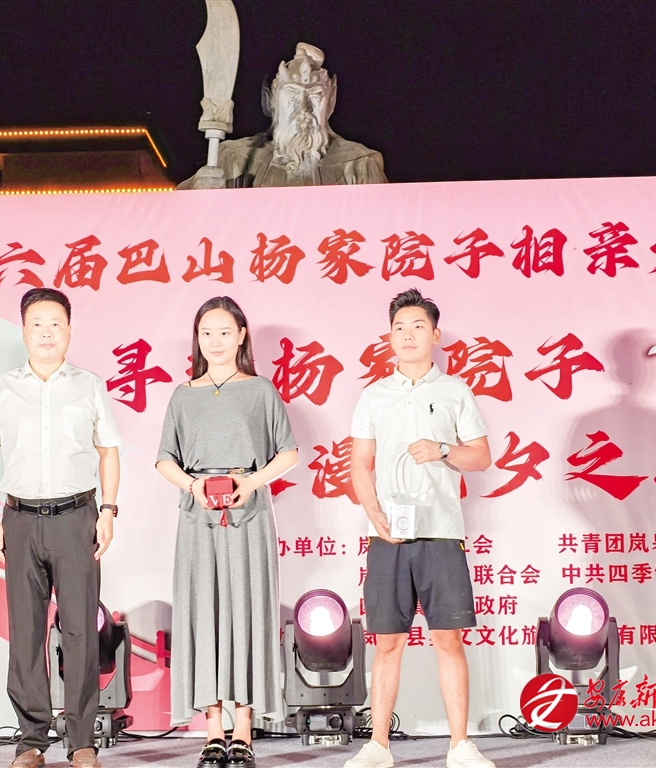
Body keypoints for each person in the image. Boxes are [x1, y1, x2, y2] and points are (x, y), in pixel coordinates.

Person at [344, 289, 495, 768]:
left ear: (435, 334)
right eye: (399, 328)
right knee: (387, 642)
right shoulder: (373, 395)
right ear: (389, 337)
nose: (407, 335)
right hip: (388, 535)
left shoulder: (455, 391)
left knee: (448, 639)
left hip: (441, 532)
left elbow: (481, 456)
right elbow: (360, 462)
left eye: (417, 327)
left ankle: (460, 746)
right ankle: (378, 746)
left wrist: (442, 450)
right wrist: (373, 513)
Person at [0, 287, 122, 768]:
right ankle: (31, 741)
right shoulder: (2, 388)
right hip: (19, 519)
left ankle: (81, 741)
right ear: (23, 331)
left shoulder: (88, 385)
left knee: (81, 632)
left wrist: (108, 510)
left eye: (55, 324)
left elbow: (108, 451)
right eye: (37, 324)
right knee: (26, 633)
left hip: (77, 518)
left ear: (69, 331)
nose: (46, 333)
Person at [156, 296, 298, 767]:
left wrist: (250, 483)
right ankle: (213, 731)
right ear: (197, 339)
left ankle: (243, 731)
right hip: (198, 518)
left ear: (241, 336)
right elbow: (164, 459)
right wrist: (192, 485)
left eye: (223, 332)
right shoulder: (184, 395)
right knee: (203, 614)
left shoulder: (260, 390)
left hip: (248, 515)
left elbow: (288, 452)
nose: (214, 341)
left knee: (248, 613)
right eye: (206, 333)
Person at [179, 43, 386, 189]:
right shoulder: (235, 158)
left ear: (331, 102)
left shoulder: (359, 163)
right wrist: (196, 193)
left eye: (315, 96)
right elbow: (173, 216)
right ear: (272, 101)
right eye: (292, 95)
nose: (304, 108)